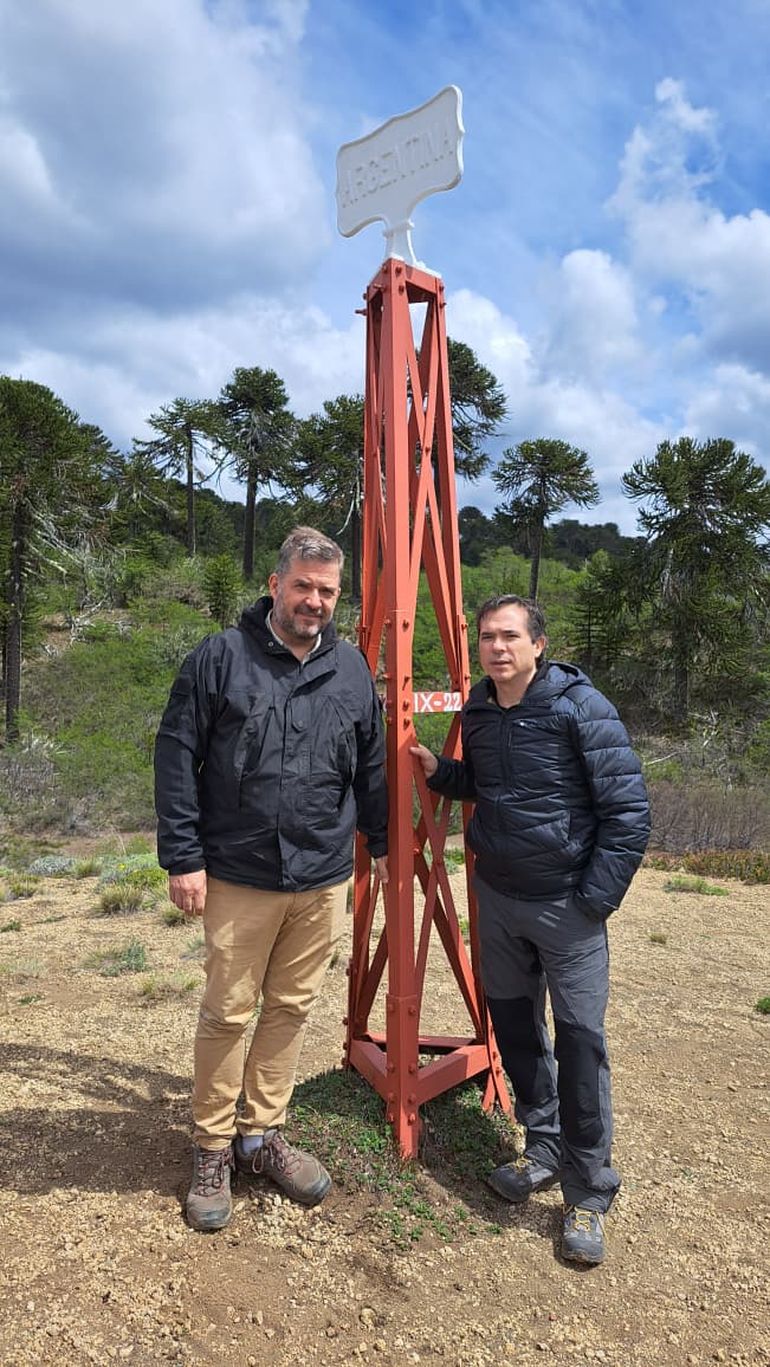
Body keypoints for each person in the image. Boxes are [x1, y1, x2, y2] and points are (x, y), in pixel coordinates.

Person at [155, 527, 388, 1233]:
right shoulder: (220, 658)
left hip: (321, 876)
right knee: (228, 1012)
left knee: (290, 1007)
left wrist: (380, 842)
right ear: (275, 584)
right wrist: (183, 856)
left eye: (327, 591)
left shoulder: (351, 670)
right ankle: (211, 1148)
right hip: (239, 871)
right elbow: (177, 754)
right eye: (303, 586)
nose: (314, 601)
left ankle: (260, 1135)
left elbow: (371, 762)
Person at [411, 594, 649, 1265]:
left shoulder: (580, 707)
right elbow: (489, 784)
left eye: (510, 636)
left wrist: (592, 901)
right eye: (488, 636)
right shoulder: (480, 709)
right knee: (517, 1031)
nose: (497, 647)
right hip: (499, 900)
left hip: (567, 907)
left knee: (580, 1045)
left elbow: (629, 813)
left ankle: (588, 1190)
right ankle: (542, 1147)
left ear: (538, 644)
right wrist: (442, 773)